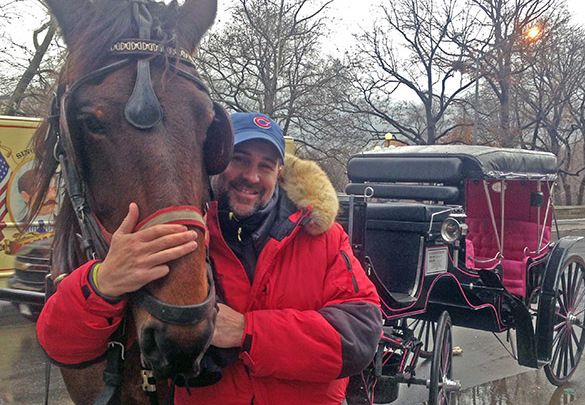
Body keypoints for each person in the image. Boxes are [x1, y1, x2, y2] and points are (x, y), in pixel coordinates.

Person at [37, 112, 382, 405]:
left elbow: (359, 336)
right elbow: (62, 345)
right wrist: (103, 283)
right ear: (215, 163)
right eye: (239, 160)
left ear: (279, 173)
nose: (251, 176)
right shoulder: (180, 234)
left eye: (265, 165)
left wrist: (248, 333)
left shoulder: (322, 238)